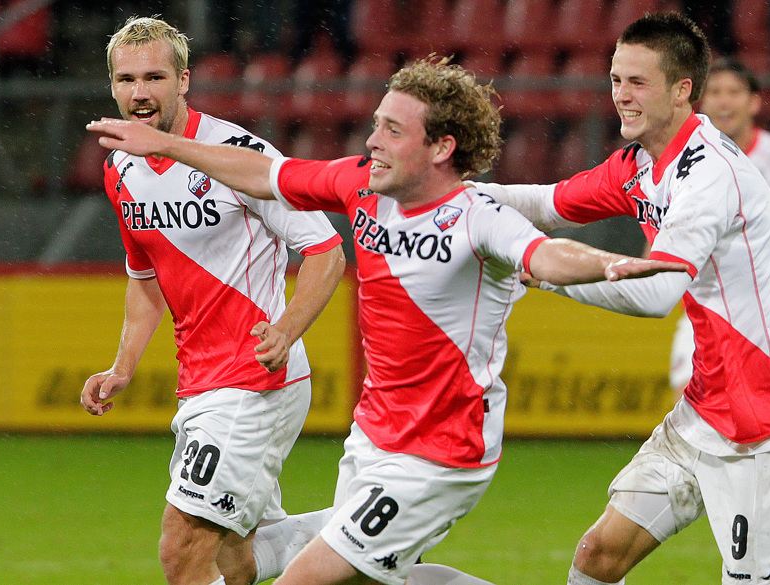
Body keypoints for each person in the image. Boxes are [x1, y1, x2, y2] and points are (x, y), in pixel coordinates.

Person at [88, 57, 689, 585]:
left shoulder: (478, 216)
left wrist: (610, 265)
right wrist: (166, 145)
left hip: (441, 453)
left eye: (392, 130)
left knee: (304, 578)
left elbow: (547, 255)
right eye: (376, 124)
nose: (373, 140)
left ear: (441, 147)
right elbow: (264, 175)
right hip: (374, 437)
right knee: (357, 577)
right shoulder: (362, 186)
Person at [474, 13, 770, 585]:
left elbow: (656, 293)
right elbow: (547, 203)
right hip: (706, 410)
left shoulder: (709, 175)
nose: (621, 95)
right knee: (599, 554)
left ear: (681, 90)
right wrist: (452, 197)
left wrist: (545, 272)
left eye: (638, 82)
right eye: (616, 80)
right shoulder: (640, 164)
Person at [78, 17, 347, 585]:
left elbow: (326, 251)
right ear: (112, 87)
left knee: (181, 551)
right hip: (200, 381)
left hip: (254, 379)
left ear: (184, 81)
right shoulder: (119, 167)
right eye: (127, 80)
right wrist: (123, 365)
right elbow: (145, 276)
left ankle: (380, 529)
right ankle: (368, 532)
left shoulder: (238, 154)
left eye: (154, 77)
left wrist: (287, 329)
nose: (140, 93)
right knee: (234, 559)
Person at [666, 57, 770, 391]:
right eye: (715, 92)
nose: (724, 101)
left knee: (765, 409)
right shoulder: (683, 159)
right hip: (708, 300)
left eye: (733, 92)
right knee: (688, 393)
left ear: (754, 102)